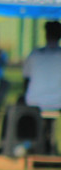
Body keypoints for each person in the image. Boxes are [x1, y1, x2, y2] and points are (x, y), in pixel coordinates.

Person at [20, 20, 61, 154]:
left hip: (34, 101)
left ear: (46, 34)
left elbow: (26, 79)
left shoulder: (35, 54)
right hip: (57, 102)